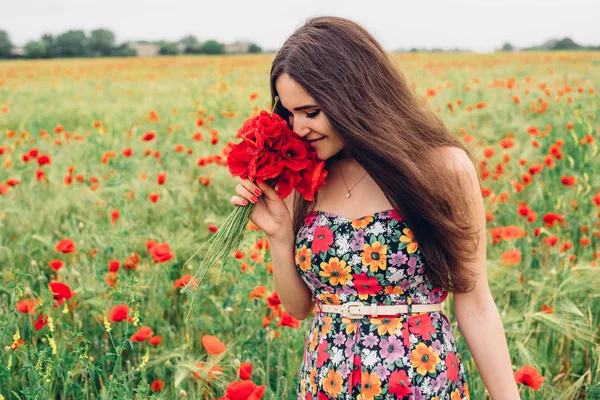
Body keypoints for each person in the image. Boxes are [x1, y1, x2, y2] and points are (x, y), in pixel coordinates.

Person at [230, 15, 520, 400]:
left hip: (419, 383)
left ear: (353, 96)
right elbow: (300, 309)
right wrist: (281, 237)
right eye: (290, 113)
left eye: (311, 112)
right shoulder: (307, 179)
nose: (298, 128)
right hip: (325, 385)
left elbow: (476, 303)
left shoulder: (442, 168)